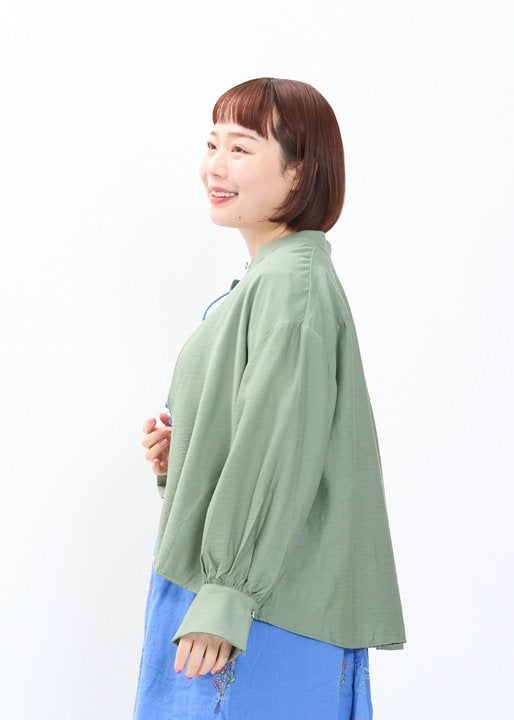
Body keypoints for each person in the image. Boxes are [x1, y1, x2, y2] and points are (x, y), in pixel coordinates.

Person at [133, 77, 406, 720]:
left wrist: (228, 592)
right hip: (241, 593)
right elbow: (267, 432)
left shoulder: (290, 285)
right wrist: (187, 456)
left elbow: (279, 450)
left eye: (241, 148)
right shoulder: (274, 278)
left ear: (299, 172)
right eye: (212, 144)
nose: (216, 166)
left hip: (257, 607)